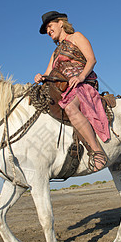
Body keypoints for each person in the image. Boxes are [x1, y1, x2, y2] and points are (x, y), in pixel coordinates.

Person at [34, 11, 110, 172]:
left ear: (60, 23)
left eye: (50, 26)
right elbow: (48, 73)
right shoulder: (55, 53)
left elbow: (91, 59)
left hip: (83, 85)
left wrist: (81, 76)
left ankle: (97, 152)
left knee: (70, 107)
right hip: (66, 89)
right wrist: (41, 77)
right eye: (46, 29)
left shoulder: (76, 37)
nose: (48, 31)